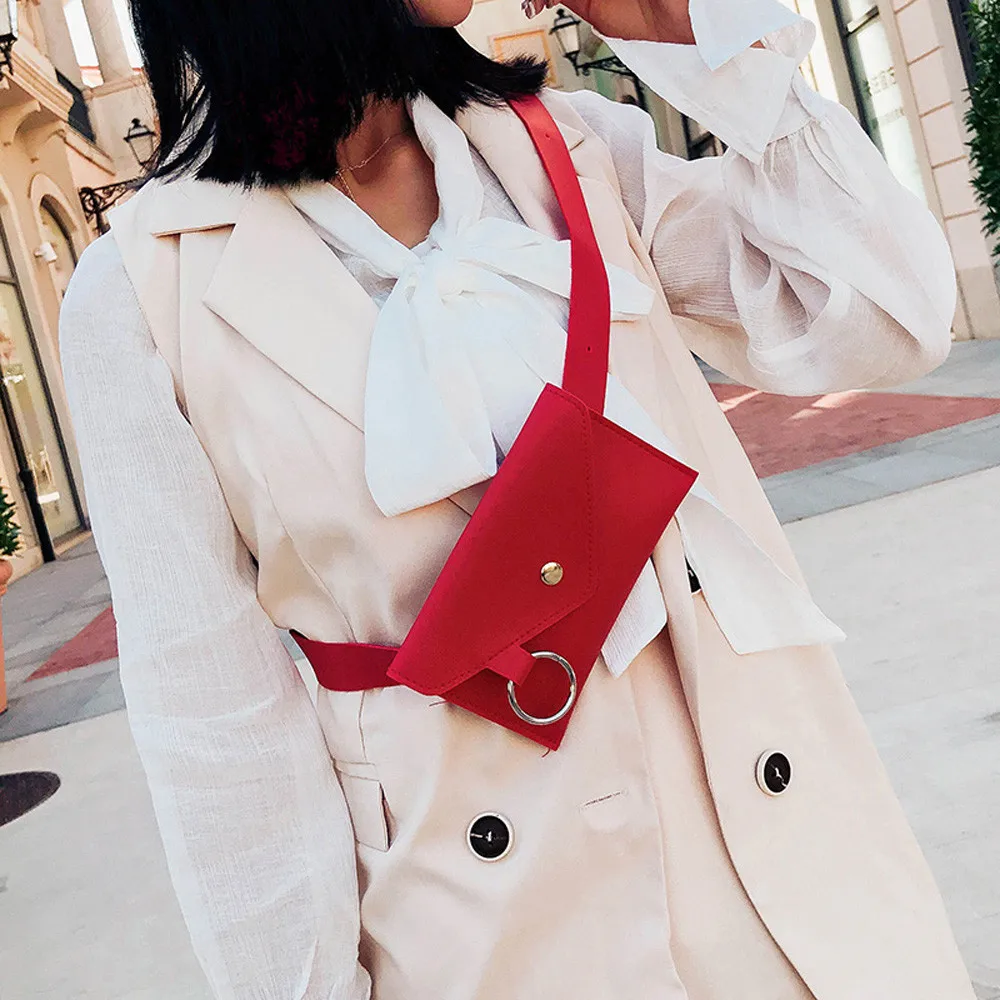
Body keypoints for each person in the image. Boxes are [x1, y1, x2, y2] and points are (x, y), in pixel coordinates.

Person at [58, 0, 976, 993]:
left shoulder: (566, 146)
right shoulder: (144, 292)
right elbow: (214, 727)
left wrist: (695, 39)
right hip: (487, 928)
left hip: (786, 866)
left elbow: (885, 320)